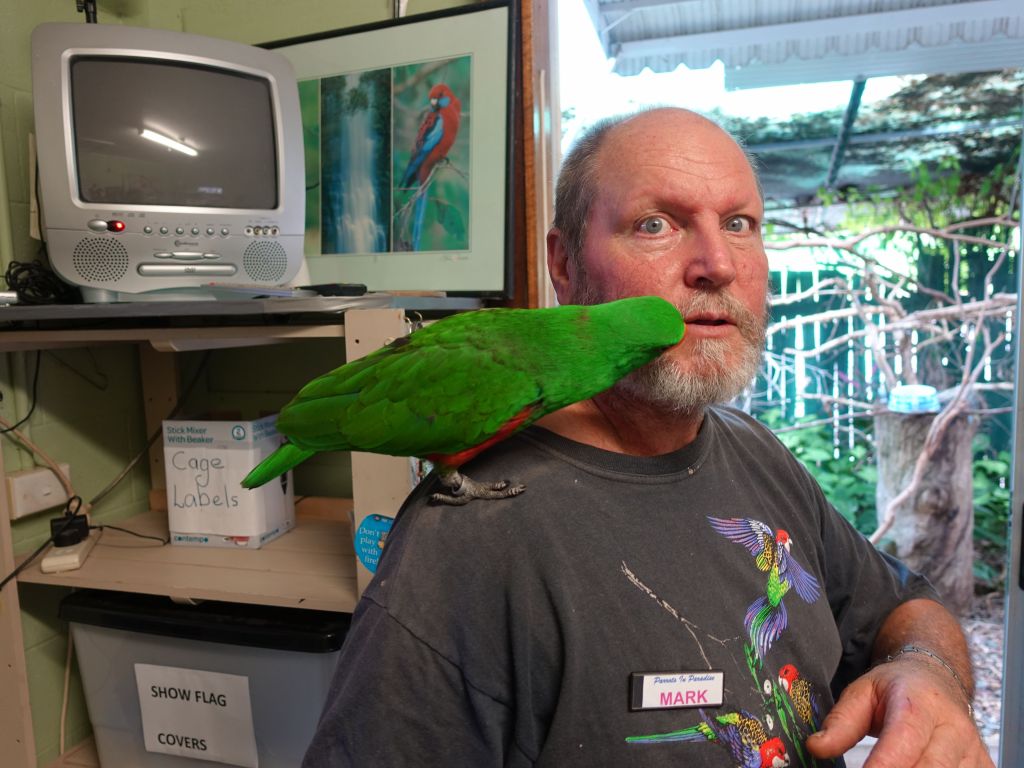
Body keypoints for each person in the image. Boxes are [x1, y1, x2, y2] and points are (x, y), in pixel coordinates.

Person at [302, 108, 993, 767]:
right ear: (565, 265)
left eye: (741, 222)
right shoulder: (470, 543)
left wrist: (925, 674)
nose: (716, 264)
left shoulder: (756, 453)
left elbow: (908, 607)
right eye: (655, 224)